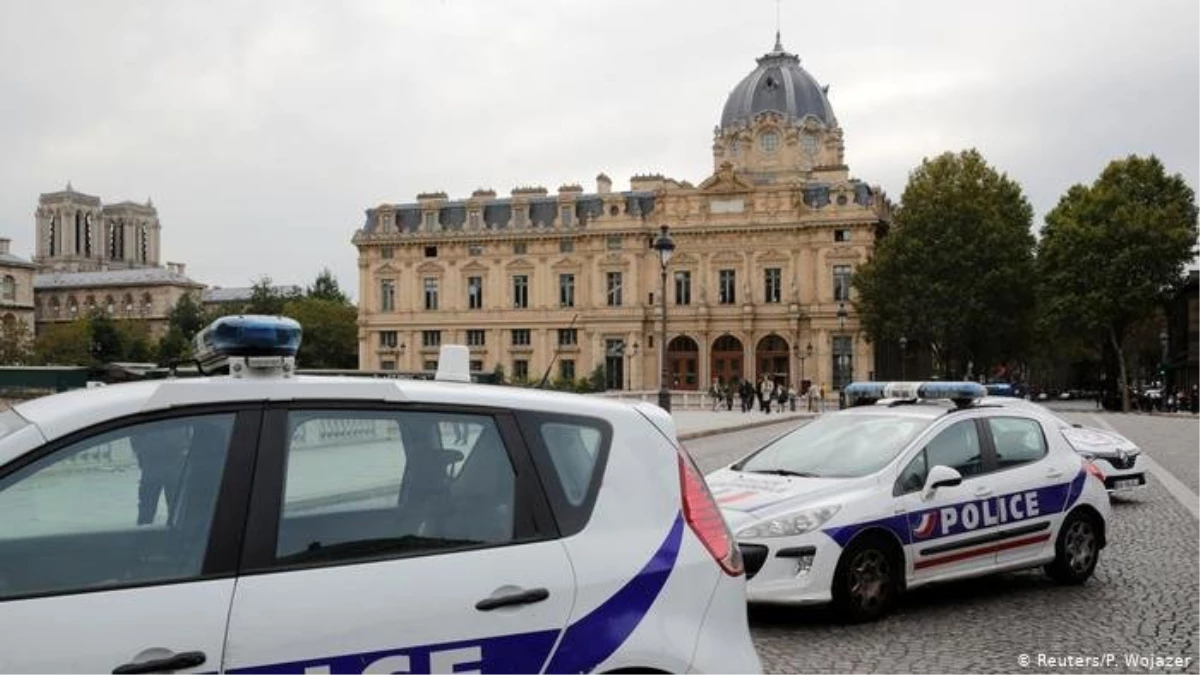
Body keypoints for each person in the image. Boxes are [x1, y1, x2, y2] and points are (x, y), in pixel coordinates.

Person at [131, 423, 190, 525]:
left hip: (157, 462)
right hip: (167, 461)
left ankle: (144, 533)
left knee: (149, 507)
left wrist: (141, 454)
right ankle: (174, 532)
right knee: (174, 507)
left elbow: (135, 436)